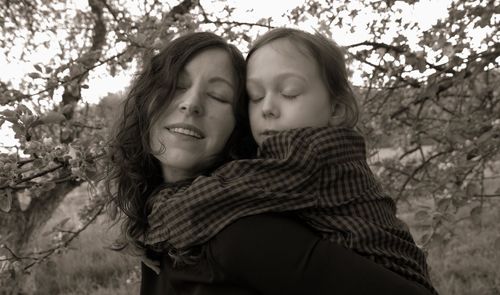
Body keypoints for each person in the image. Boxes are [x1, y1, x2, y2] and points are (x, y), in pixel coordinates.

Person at [142, 28, 438, 294]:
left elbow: (205, 204)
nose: (268, 107)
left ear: (337, 109)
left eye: (289, 92)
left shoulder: (309, 154)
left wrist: (153, 224)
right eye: (255, 97)